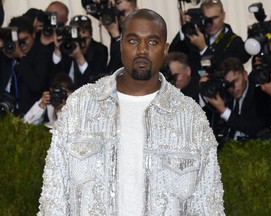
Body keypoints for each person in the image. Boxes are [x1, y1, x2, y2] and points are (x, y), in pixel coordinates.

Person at [38, 8, 225, 215]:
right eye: (134, 41)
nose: (142, 50)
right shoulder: (81, 106)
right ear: (121, 46)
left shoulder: (190, 117)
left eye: (152, 42)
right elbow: (54, 197)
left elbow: (208, 204)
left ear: (165, 49)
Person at [200, 57, 271, 144]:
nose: (233, 88)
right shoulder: (224, 92)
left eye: (235, 81)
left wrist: (224, 111)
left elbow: (256, 128)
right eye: (228, 84)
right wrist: (204, 90)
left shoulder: (258, 93)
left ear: (245, 75)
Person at [169, 0, 250, 80]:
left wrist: (204, 49)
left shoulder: (235, 42)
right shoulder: (195, 36)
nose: (211, 23)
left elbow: (225, 71)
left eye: (215, 18)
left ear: (223, 15)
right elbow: (172, 57)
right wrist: (183, 29)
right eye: (207, 19)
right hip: (193, 91)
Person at [0, 15, 52, 116]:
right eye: (18, 42)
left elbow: (36, 85)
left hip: (31, 115)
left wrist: (20, 57)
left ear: (33, 34)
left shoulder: (42, 54)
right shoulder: (5, 53)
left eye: (24, 40)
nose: (21, 45)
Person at [52, 15, 108, 89]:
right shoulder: (67, 46)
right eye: (78, 39)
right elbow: (54, 77)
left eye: (84, 39)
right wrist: (57, 51)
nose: (82, 44)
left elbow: (96, 81)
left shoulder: (99, 49)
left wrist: (79, 58)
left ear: (91, 35)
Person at [100, 0, 138, 73]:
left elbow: (122, 67)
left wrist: (115, 35)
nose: (120, 17)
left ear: (136, 10)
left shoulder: (143, 32)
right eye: (118, 14)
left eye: (123, 12)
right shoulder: (118, 30)